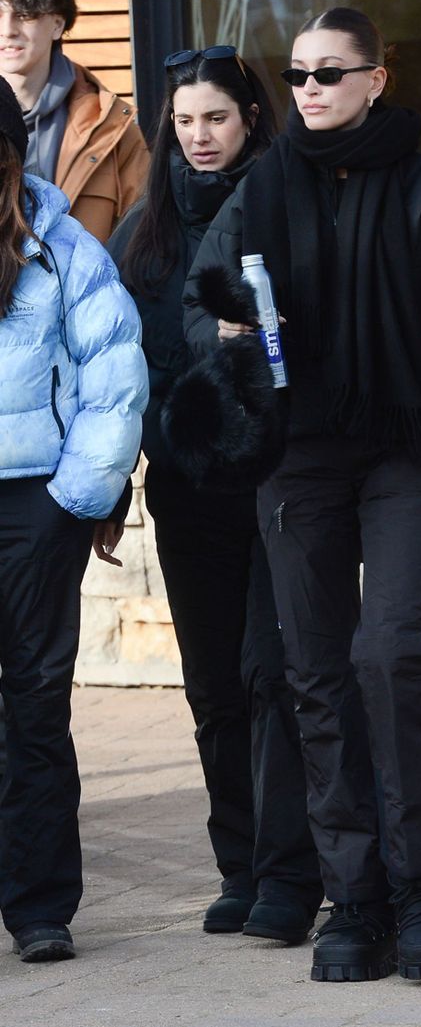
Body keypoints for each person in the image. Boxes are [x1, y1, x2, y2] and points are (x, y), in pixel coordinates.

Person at [183, 8, 421, 984]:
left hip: (400, 449)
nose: (307, 89)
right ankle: (354, 897)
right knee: (315, 674)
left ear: (375, 80)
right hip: (296, 458)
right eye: (298, 74)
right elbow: (203, 291)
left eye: (329, 73)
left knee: (390, 656)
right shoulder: (262, 186)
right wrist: (225, 336)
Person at [106, 47, 322, 942]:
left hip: (280, 481)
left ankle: (287, 869)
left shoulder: (290, 209)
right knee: (212, 687)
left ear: (251, 120)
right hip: (189, 489)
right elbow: (118, 375)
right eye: (184, 121)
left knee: (274, 673)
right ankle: (239, 862)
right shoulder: (142, 238)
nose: (200, 136)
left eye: (217, 118)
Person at [0, 75, 147, 963]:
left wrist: (76, 498)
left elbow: (114, 371)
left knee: (36, 708)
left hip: (33, 506)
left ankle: (40, 905)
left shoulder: (63, 246)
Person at [0, 0, 149, 243]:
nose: (7, 29)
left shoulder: (113, 132)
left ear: (58, 24)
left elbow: (142, 242)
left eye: (25, 14)